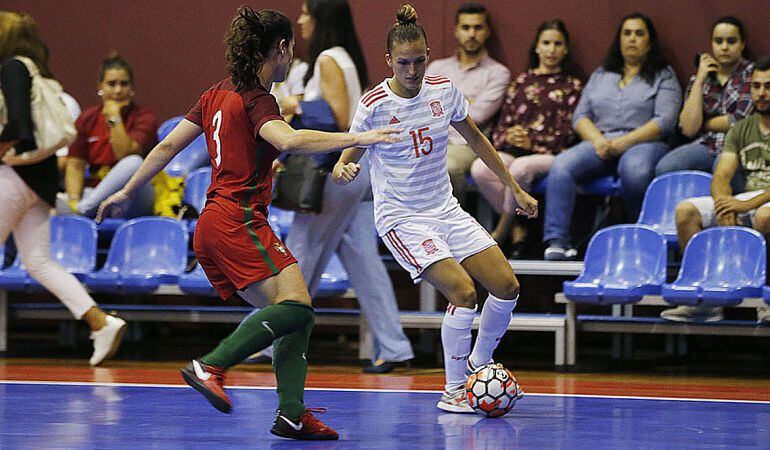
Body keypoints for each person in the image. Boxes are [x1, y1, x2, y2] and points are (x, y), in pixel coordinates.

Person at [97, 6, 398, 440]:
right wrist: (360, 136)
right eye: (291, 47)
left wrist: (128, 190)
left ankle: (292, 414)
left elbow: (165, 150)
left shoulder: (215, 93)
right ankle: (211, 365)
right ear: (279, 48)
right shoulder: (259, 101)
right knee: (295, 307)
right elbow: (291, 140)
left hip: (212, 223)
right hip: (237, 220)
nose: (293, 55)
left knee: (298, 313)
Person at [333, 4, 537, 413]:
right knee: (463, 293)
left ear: (428, 54)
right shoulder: (374, 104)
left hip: (445, 209)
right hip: (402, 220)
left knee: (507, 286)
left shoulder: (443, 90)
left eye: (419, 60)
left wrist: (513, 186)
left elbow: (477, 140)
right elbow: (345, 155)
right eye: (404, 63)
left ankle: (480, 364)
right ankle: (455, 390)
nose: (413, 71)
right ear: (388, 61)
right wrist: (344, 167)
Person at [264, 0, 415, 373]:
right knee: (364, 262)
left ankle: (272, 340)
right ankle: (395, 348)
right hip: (357, 172)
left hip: (338, 171)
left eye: (305, 13)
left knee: (297, 255)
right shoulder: (345, 57)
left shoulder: (328, 58)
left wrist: (297, 109)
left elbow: (341, 119)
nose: (300, 20)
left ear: (320, 18)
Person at [0, 10, 126, 366]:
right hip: (38, 182)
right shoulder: (39, 70)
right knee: (39, 261)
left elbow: (18, 128)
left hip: (14, 174)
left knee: (38, 261)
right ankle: (100, 323)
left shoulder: (12, 67)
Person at [543, 12, 682, 260]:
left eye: (639, 34)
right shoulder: (602, 73)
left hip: (645, 143)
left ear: (650, 41)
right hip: (601, 141)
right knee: (562, 165)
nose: (632, 39)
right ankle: (557, 242)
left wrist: (623, 143)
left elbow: (665, 121)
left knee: (635, 171)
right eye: (627, 33)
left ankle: (638, 238)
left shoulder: (664, 75)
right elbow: (581, 116)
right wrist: (598, 140)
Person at [661, 56, 770, 324]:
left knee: (764, 217)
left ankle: (766, 300)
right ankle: (703, 299)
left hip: (762, 202)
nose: (761, 93)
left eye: (768, 86)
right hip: (749, 198)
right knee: (686, 211)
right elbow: (722, 173)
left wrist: (743, 205)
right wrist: (723, 202)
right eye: (756, 86)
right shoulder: (741, 129)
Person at [472, 19, 583, 258]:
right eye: (546, 43)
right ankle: (520, 226)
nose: (551, 49)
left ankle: (502, 229)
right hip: (514, 150)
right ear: (537, 47)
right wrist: (510, 136)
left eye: (557, 44)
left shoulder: (572, 86)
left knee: (520, 169)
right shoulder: (521, 82)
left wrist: (532, 141)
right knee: (481, 168)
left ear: (565, 49)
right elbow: (501, 127)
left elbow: (568, 132)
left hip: (550, 155)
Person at [426, 2, 510, 206]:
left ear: (487, 31)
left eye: (478, 27)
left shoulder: (498, 73)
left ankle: (454, 232)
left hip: (467, 143)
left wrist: (443, 104)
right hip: (431, 139)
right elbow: (421, 106)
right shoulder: (438, 68)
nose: (471, 34)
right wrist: (463, 102)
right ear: (456, 30)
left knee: (446, 167)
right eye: (465, 28)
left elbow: (477, 115)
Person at [655, 16, 754, 179]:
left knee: (721, 170)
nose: (724, 47)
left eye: (731, 41)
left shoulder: (751, 74)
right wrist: (700, 80)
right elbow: (688, 128)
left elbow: (740, 121)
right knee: (666, 168)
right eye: (718, 41)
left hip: (738, 145)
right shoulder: (700, 78)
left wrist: (704, 124)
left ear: (742, 44)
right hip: (707, 145)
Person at [60, 54, 157, 218]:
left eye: (124, 84)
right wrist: (73, 200)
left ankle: (81, 211)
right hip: (96, 193)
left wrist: (114, 117)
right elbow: (75, 164)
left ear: (132, 88)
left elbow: (124, 154)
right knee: (55, 204)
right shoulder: (87, 119)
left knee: (133, 162)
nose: (118, 90)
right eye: (112, 84)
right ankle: (78, 208)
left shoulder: (145, 118)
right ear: (100, 86)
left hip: (134, 196)